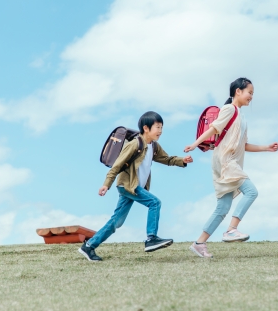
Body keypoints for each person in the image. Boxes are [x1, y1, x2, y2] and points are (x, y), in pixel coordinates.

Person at [184, 78, 278, 258]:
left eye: (252, 94)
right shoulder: (229, 109)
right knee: (251, 192)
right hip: (226, 161)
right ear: (238, 91)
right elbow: (214, 128)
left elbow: (244, 145)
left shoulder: (242, 117)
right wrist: (195, 143)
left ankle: (199, 243)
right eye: (249, 92)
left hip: (229, 162)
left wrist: (267, 147)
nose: (251, 97)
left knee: (222, 207)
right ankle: (231, 230)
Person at [79, 111, 193, 262]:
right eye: (157, 127)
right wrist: (106, 184)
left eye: (161, 127)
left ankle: (89, 246)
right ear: (146, 128)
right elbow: (117, 166)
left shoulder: (154, 146)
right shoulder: (135, 144)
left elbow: (167, 159)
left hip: (133, 187)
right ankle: (151, 238)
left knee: (116, 222)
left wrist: (182, 160)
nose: (160, 131)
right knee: (155, 202)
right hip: (127, 185)